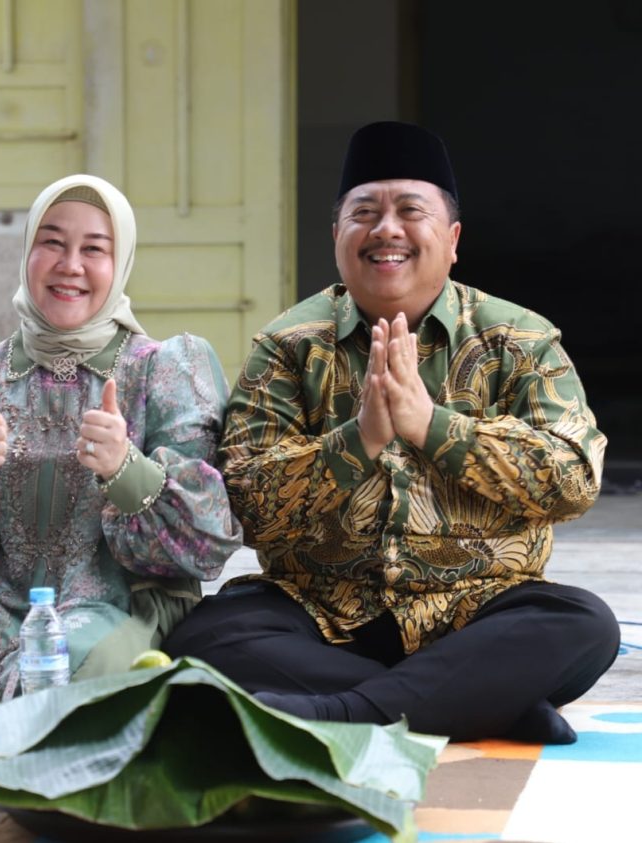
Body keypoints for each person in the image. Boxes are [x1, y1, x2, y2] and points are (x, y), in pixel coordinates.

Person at [163, 121, 620, 744]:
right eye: (365, 212)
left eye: (411, 210)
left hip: (477, 610)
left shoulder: (519, 340)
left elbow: (573, 479)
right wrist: (360, 441)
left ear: (452, 238)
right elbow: (248, 504)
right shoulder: (288, 346)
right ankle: (480, 701)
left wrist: (433, 427)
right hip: (322, 612)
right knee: (208, 633)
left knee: (582, 624)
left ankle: (346, 713)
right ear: (337, 236)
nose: (387, 229)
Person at [0, 174, 242, 727]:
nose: (69, 264)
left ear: (121, 260)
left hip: (107, 602)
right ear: (28, 251)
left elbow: (208, 537)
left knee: (66, 686)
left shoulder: (165, 370)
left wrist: (128, 470)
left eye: (93, 249)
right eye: (51, 242)